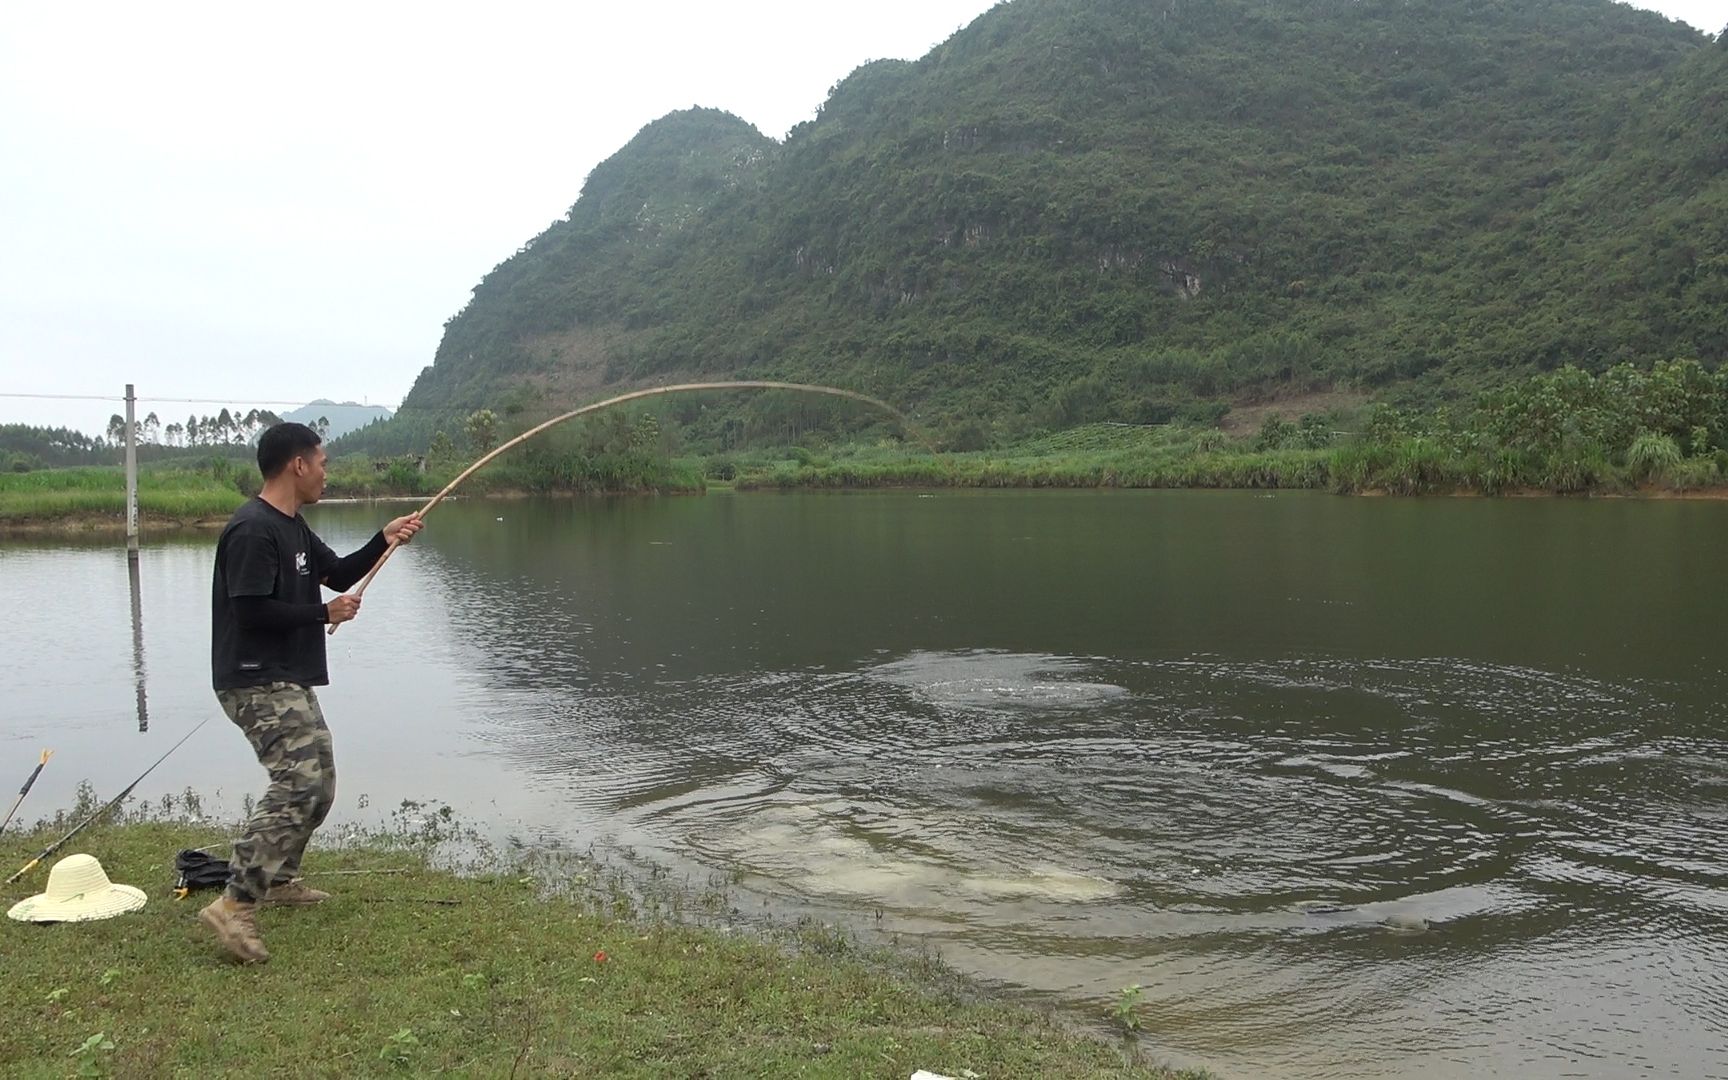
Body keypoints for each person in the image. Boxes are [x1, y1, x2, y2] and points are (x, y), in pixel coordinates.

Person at [199, 422, 422, 963]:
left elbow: (341, 572)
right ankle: (235, 903)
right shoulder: (253, 529)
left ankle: (278, 880)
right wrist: (323, 613)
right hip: (254, 677)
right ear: (297, 465)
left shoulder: (294, 527)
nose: (326, 472)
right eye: (322, 462)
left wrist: (384, 538)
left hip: (286, 674)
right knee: (298, 781)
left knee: (320, 780)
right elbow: (250, 610)